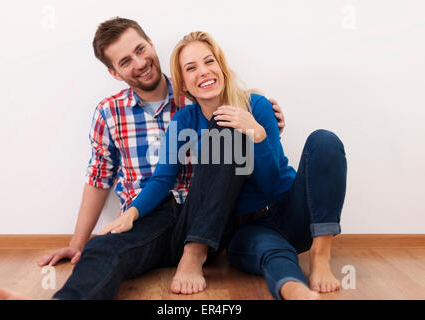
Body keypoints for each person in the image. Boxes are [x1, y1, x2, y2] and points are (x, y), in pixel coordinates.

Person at [0, 17, 284, 300]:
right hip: (146, 219)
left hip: (203, 213)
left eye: (140, 49)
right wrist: (78, 242)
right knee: (101, 248)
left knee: (222, 135)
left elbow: (237, 133)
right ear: (114, 73)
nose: (140, 63)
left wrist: (267, 125)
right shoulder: (109, 112)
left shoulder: (196, 88)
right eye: (126, 61)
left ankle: (194, 253)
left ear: (151, 44)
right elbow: (99, 176)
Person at [115, 31, 347, 300]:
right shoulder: (184, 121)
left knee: (324, 140)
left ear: (221, 68)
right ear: (184, 86)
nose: (203, 71)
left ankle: (320, 256)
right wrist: (131, 213)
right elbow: (162, 179)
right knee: (270, 253)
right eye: (191, 68)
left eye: (209, 61)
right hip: (246, 228)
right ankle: (296, 292)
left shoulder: (256, 105)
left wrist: (257, 134)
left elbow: (271, 182)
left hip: (291, 208)